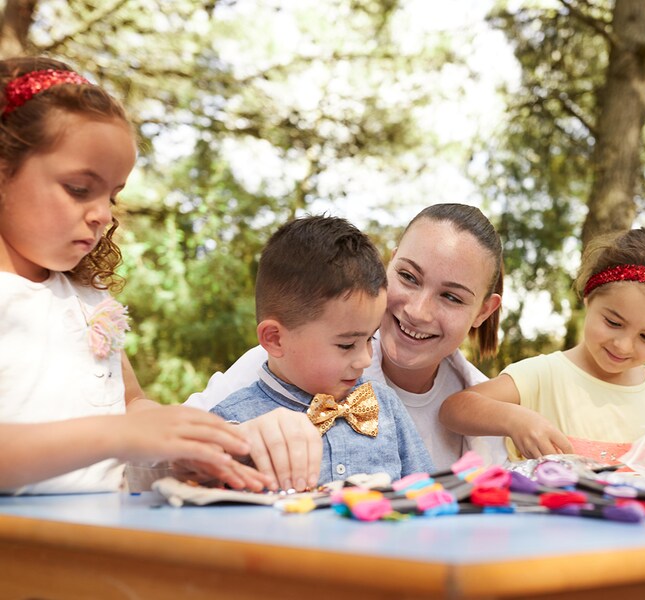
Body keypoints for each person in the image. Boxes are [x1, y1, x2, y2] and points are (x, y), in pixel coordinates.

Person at [0, 56, 271, 494]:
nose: (103, 215)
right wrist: (116, 436)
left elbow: (129, 402)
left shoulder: (89, 297)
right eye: (79, 189)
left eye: (113, 194)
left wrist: (173, 435)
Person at [186, 203, 506, 484]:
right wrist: (235, 440)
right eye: (408, 277)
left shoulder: (483, 405)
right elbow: (165, 458)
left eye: (451, 297)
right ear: (390, 266)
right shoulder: (284, 357)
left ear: (483, 312)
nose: (417, 311)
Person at [439, 227, 645, 461]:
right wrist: (514, 419)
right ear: (588, 298)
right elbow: (454, 409)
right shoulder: (543, 375)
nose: (624, 346)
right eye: (613, 322)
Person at [209, 215, 434, 484]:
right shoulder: (232, 424)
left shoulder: (385, 406)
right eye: (346, 344)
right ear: (275, 339)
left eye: (370, 340)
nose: (364, 359)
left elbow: (428, 493)